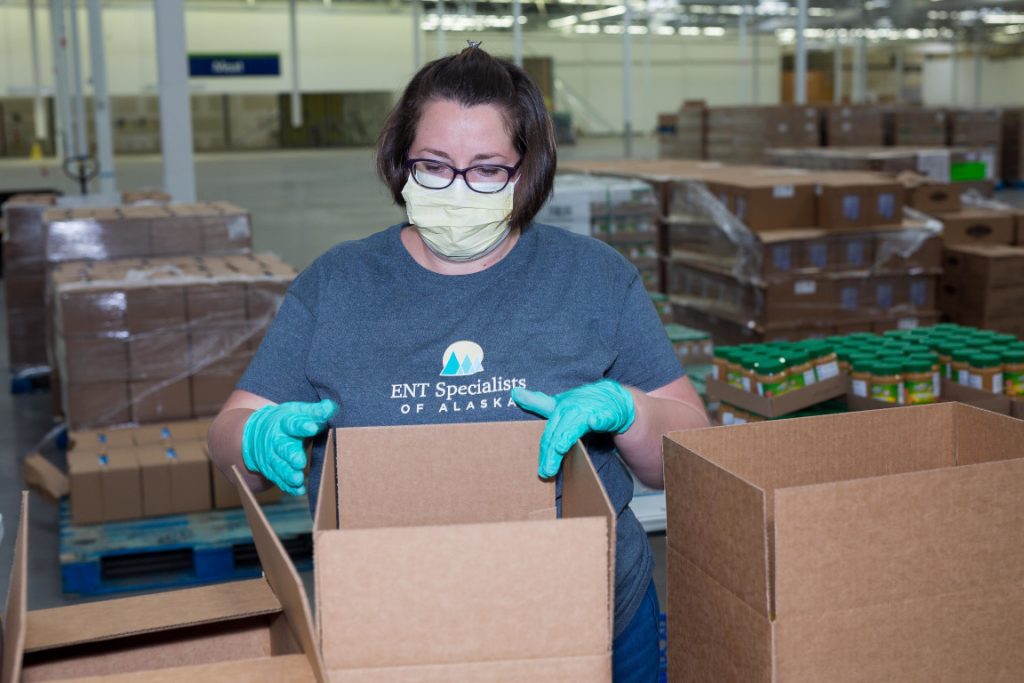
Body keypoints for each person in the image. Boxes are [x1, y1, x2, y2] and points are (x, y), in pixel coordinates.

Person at [208, 42, 709, 682]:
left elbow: (690, 447)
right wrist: (253, 438)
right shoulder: (335, 285)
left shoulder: (593, 279)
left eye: (488, 169)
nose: (459, 188)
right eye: (435, 165)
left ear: (526, 172)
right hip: (398, 627)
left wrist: (630, 412)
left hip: (596, 618)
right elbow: (227, 433)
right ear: (401, 164)